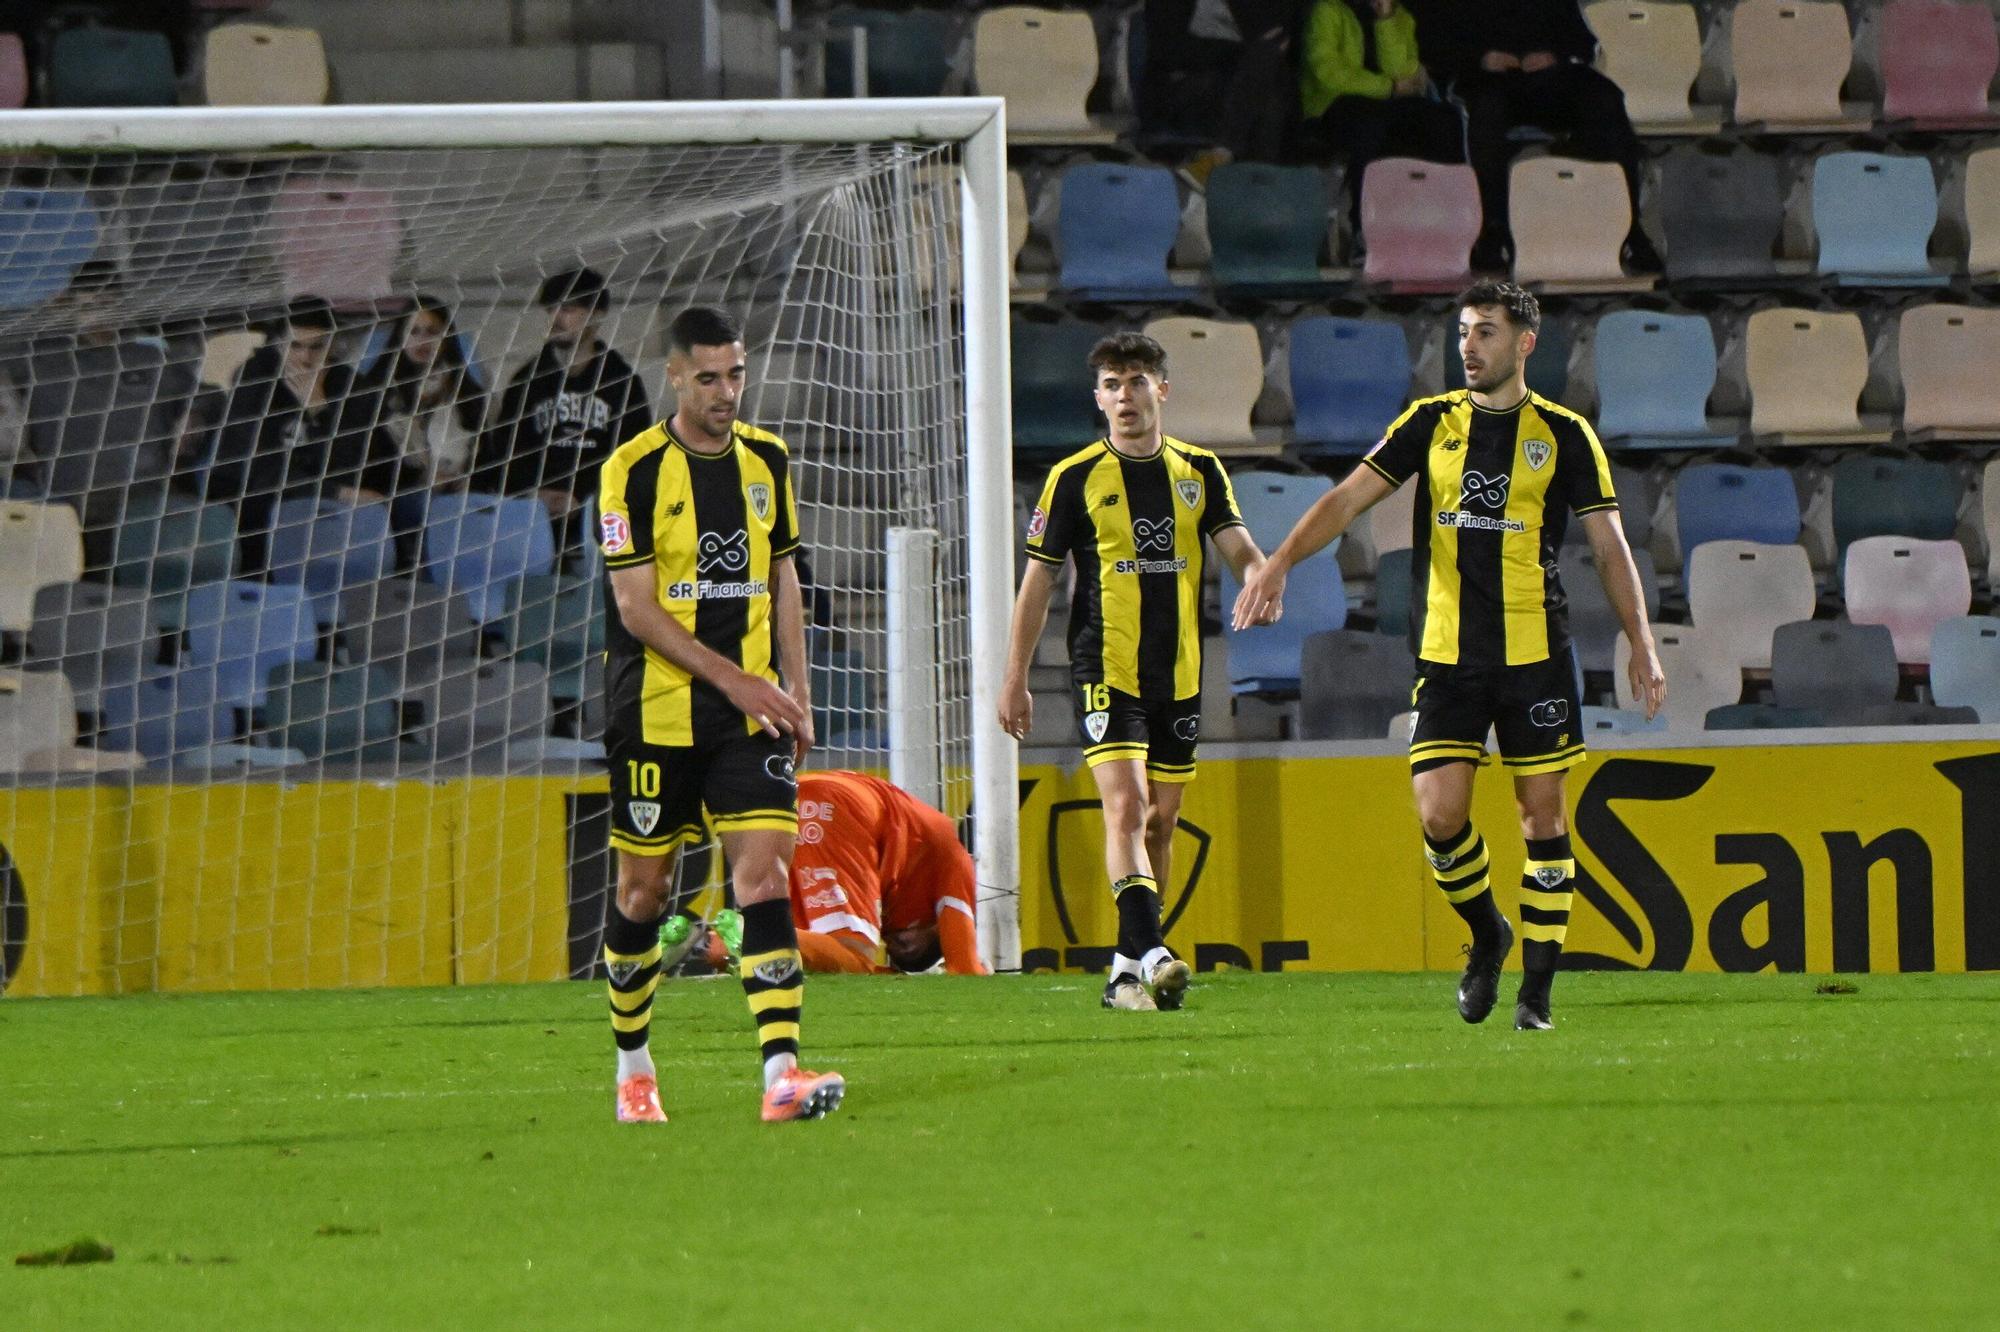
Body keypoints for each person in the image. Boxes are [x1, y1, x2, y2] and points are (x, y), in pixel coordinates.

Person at [1232, 280, 1665, 1031]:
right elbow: (1346, 499)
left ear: (1525, 344)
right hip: (1447, 654)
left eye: (1486, 332)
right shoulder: (1430, 424)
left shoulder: (1563, 434)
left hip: (1535, 653)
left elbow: (1608, 544)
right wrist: (1277, 563)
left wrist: (1642, 641)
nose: (1468, 345)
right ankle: (1488, 932)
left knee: (1542, 818)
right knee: (1439, 814)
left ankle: (1537, 992)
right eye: (1463, 331)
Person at [593, 304, 843, 1125]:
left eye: (735, 374)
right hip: (656, 715)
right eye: (708, 377)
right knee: (643, 891)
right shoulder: (629, 470)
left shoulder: (768, 458)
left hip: (752, 717)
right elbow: (637, 610)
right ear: (674, 375)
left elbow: (784, 575)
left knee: (764, 876)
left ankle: (781, 1075)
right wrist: (739, 680)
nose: (726, 392)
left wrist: (796, 692)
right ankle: (635, 1069)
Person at [999, 332, 1272, 1013]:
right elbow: (1037, 585)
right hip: (1105, 665)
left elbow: (1238, 547)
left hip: (1178, 673)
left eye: (1137, 382)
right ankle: (1155, 952)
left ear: (1163, 390)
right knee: (1126, 806)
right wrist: (1015, 676)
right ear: (1098, 399)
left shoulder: (1200, 471)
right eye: (1113, 385)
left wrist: (1261, 578)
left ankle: (1126, 972)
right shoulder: (1073, 479)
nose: (1126, 396)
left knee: (1162, 822)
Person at [1404, 0, 1659, 274]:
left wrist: (1554, 55)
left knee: (1604, 99)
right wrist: (1481, 57)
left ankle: (1628, 227)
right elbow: (1430, 43)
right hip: (1484, 77)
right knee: (1487, 112)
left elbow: (1581, 40)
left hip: (1549, 75)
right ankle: (1492, 231)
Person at [4, 261, 198, 574]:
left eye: (108, 304)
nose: (100, 316)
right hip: (65, 510)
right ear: (70, 305)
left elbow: (202, 396)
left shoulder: (151, 359)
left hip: (143, 512)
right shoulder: (41, 360)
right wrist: (46, 312)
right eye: (90, 305)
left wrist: (196, 416)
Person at [204, 299, 403, 578]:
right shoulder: (255, 381)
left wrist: (319, 411)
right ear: (278, 345)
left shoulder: (351, 387)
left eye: (317, 347)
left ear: (332, 346)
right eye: (295, 346)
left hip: (322, 512)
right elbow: (261, 472)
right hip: (255, 507)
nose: (305, 359)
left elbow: (349, 469)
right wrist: (338, 493)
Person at [473, 267, 651, 557]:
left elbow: (634, 458)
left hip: (599, 516)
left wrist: (583, 497)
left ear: (596, 314)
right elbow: (507, 452)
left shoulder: (622, 382)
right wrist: (534, 493)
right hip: (532, 516)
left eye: (567, 309)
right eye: (551, 309)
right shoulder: (527, 380)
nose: (556, 318)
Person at [1298, 0, 1464, 233]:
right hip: (1334, 103)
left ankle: (1443, 222)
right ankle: (1363, 226)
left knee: (1442, 119)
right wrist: (1387, 87)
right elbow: (1329, 73)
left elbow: (1403, 72)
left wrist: (1385, 20)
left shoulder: (1401, 16)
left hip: (1387, 102)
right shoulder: (1329, 9)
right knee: (1368, 123)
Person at [374, 295, 487, 570]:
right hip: (398, 498)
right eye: (414, 332)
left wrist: (465, 479)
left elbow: (488, 456)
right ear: (400, 338)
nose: (423, 340)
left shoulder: (468, 394)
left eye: (432, 332)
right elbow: (375, 466)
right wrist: (424, 477)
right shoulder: (379, 394)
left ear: (446, 338)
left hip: (458, 494)